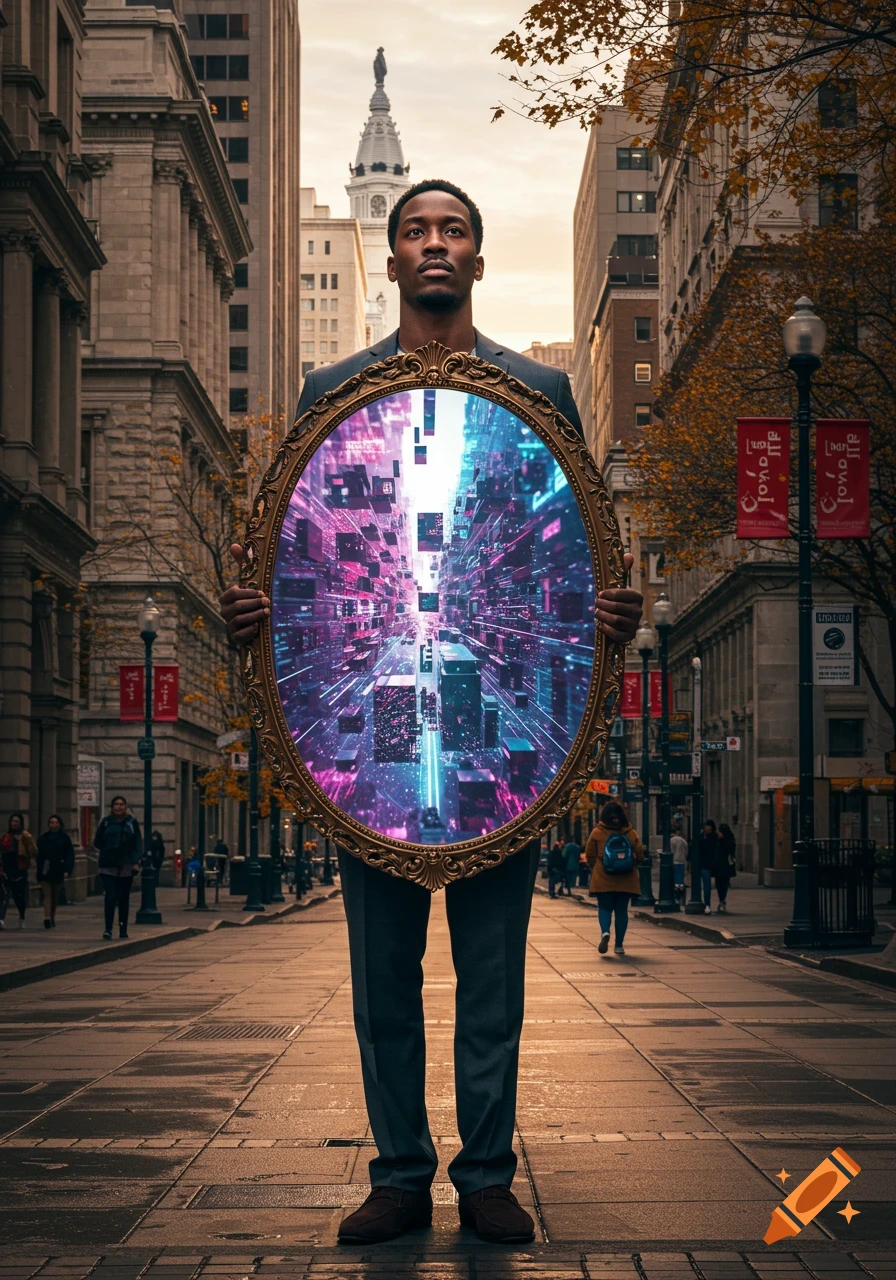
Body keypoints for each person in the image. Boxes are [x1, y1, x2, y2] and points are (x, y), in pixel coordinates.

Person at [218, 179, 644, 1246]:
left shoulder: (538, 388)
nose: (434, 244)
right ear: (396, 257)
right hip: (372, 724)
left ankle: (487, 1171)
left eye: (453, 229)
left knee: (492, 974)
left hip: (498, 730)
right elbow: (300, 541)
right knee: (382, 977)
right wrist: (258, 610)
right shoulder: (333, 388)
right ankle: (400, 1172)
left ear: (478, 258)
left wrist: (611, 610)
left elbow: (570, 545)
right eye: (416, 231)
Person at [585, 801, 645, 956]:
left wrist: (596, 867)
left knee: (604, 908)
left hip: (603, 878)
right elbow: (639, 852)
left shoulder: (597, 832)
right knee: (621, 911)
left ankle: (605, 932)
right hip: (626, 878)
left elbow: (589, 854)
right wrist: (635, 864)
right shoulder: (630, 832)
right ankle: (619, 945)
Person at [93, 796, 142, 940]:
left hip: (126, 866)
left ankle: (123, 928)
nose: (119, 807)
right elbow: (97, 841)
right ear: (112, 806)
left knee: (123, 898)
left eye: (121, 804)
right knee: (110, 897)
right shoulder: (106, 822)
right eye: (116, 804)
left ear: (125, 806)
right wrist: (108, 848)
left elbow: (138, 843)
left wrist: (136, 861)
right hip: (108, 865)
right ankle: (108, 929)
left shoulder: (132, 822)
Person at [36, 816, 75, 928]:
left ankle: (52, 915)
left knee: (54, 894)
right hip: (45, 868)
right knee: (47, 894)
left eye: (56, 822)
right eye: (52, 822)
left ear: (60, 824)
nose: (54, 824)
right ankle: (47, 917)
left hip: (58, 868)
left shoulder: (64, 838)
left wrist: (67, 870)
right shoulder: (44, 838)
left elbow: (69, 855)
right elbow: (38, 854)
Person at [0, 813, 37, 930]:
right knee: (4, 895)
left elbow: (33, 851)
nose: (14, 823)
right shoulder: (6, 836)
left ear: (20, 823)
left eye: (16, 821)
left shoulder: (25, 836)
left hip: (19, 869)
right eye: (12, 821)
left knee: (19, 896)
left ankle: (22, 916)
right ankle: (1, 919)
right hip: (6, 868)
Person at [698, 820, 720, 914]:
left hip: (710, 864)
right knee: (705, 885)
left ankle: (708, 904)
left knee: (708, 885)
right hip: (703, 864)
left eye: (709, 828)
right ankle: (705, 904)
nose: (707, 830)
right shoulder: (701, 837)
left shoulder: (715, 838)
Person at [716, 823, 737, 913]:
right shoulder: (728, 839)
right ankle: (722, 900)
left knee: (722, 883)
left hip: (724, 864)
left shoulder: (727, 840)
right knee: (721, 883)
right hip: (723, 865)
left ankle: (722, 899)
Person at [670, 823, 688, 900]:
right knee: (680, 880)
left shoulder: (671, 840)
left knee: (675, 880)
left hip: (674, 861)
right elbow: (687, 852)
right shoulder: (684, 841)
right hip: (682, 861)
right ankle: (682, 897)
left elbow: (670, 851)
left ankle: (676, 896)